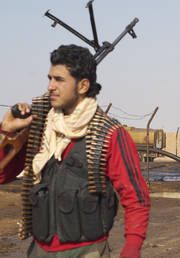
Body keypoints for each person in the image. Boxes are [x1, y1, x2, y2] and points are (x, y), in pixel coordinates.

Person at [0, 45, 150, 258]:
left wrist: (132, 248)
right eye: (50, 78)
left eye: (59, 80)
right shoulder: (40, 126)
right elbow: (2, 175)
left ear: (83, 86)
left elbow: (136, 198)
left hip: (86, 251)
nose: (50, 86)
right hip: (40, 250)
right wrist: (8, 131)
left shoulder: (108, 133)